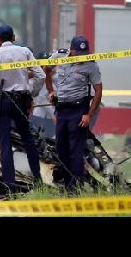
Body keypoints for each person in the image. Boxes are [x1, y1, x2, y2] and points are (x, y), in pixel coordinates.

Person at [0, 24, 46, 192]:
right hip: (21, 101)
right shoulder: (24, 52)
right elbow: (41, 75)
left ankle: (10, 185)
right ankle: (37, 181)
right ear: (14, 37)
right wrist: (31, 94)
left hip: (2, 102)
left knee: (5, 143)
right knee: (29, 141)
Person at [45, 36, 103, 191]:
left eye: (85, 52)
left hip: (79, 111)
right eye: (79, 52)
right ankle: (68, 183)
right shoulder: (59, 56)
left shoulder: (91, 65)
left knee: (75, 151)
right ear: (71, 50)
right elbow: (46, 69)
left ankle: (75, 188)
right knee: (61, 150)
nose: (82, 56)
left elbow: (98, 91)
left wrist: (89, 114)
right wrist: (51, 91)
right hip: (62, 110)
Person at [30, 50, 63, 139]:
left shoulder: (57, 76)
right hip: (42, 114)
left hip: (52, 113)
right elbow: (41, 98)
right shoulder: (37, 79)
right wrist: (53, 115)